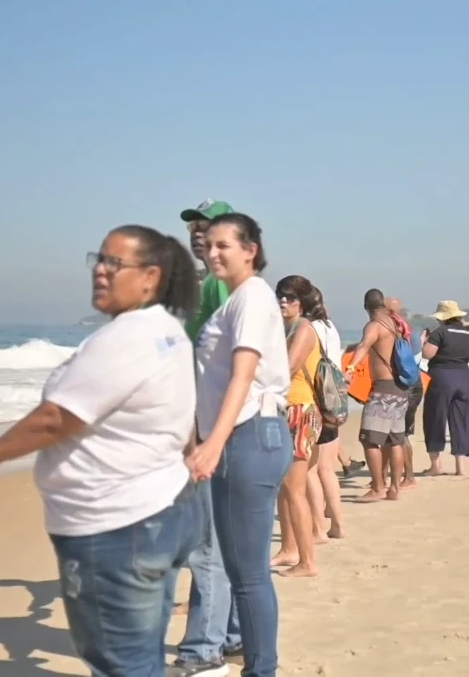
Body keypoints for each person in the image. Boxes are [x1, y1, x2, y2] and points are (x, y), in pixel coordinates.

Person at [0, 225, 202, 676]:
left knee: (122, 665)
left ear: (150, 277)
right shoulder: (166, 331)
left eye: (114, 263)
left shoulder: (129, 338)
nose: (100, 271)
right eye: (98, 259)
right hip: (160, 509)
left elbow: (57, 418)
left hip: (117, 525)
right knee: (142, 658)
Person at [184, 213, 292, 677]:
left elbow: (244, 375)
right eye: (208, 246)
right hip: (242, 436)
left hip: (249, 437)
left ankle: (261, 669)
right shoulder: (232, 302)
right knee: (238, 569)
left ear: (250, 249)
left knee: (248, 575)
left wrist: (213, 443)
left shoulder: (252, 296)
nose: (213, 253)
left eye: (223, 245)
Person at [175, 200, 243, 672]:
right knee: (228, 540)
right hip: (226, 427)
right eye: (196, 230)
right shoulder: (222, 287)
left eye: (211, 230)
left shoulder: (221, 288)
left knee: (207, 544)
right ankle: (233, 634)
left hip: (214, 429)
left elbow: (237, 364)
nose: (200, 237)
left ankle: (203, 648)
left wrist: (204, 436)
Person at [269, 275, 324, 578]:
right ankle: (289, 549)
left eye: (289, 297)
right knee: (283, 487)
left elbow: (286, 370)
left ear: (302, 302)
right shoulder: (288, 329)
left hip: (299, 412)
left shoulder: (303, 330)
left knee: (295, 490)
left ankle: (308, 562)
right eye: (279, 296)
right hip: (286, 409)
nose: (282, 302)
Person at [344, 289, 410, 502]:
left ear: (366, 307)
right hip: (401, 387)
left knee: (370, 439)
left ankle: (377, 488)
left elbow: (365, 346)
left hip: (383, 389)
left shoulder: (373, 325)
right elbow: (382, 346)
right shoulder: (395, 324)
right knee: (395, 440)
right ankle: (394, 488)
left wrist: (350, 368)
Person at [420, 300, 469, 476]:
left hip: (441, 376)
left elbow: (427, 354)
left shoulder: (440, 332)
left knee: (435, 419)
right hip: (463, 376)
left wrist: (424, 341)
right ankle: (461, 467)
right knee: (461, 420)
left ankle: (436, 465)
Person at [308, 294, 347, 540]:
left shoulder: (307, 329)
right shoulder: (329, 327)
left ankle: (318, 528)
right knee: (327, 469)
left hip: (315, 398)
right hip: (333, 398)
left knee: (311, 470)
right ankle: (338, 525)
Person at [386, 297, 419, 489]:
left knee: (397, 434)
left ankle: (408, 476)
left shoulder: (395, 333)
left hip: (402, 385)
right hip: (415, 384)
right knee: (401, 433)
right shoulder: (412, 334)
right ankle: (405, 475)